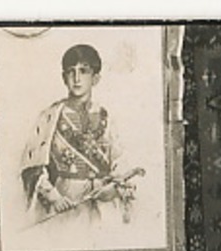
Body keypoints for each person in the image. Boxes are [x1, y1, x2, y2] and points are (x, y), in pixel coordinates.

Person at [20, 44, 135, 227]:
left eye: (83, 71)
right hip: (65, 201)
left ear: (95, 78)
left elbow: (120, 160)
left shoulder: (107, 117)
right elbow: (31, 167)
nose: (76, 78)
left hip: (101, 202)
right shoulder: (50, 117)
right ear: (63, 78)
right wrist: (53, 196)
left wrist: (113, 188)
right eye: (71, 72)